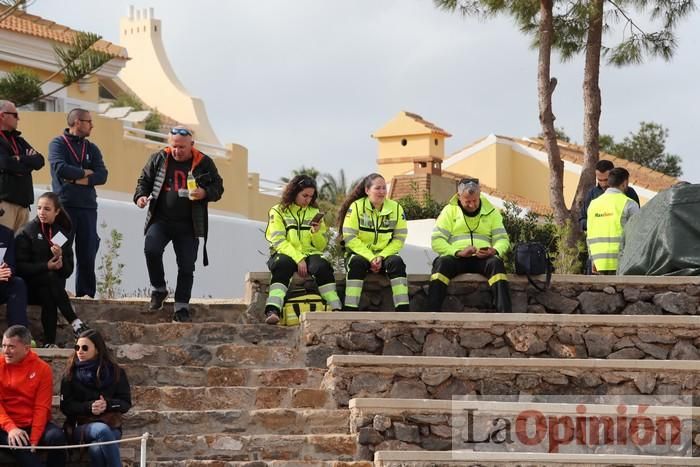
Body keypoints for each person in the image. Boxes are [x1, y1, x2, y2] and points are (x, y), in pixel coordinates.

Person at [134, 127, 224, 322]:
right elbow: (144, 181)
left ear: (192, 145)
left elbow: (218, 187)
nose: (177, 151)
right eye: (174, 146)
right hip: (161, 219)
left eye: (182, 147)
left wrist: (204, 193)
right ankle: (159, 289)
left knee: (186, 266)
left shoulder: (204, 162)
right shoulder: (159, 158)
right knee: (151, 249)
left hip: (189, 224)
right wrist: (141, 197)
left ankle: (182, 306)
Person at [263, 175, 342, 324]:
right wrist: (298, 258)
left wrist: (316, 232)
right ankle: (273, 310)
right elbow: (278, 240)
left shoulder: (314, 212)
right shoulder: (278, 211)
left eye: (311, 197)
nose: (308, 200)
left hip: (310, 254)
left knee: (322, 266)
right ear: (294, 192)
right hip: (285, 252)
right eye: (304, 195)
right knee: (282, 265)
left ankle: (336, 308)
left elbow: (320, 246)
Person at [15, 192, 89, 347]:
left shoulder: (61, 234)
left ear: (57, 212)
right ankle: (75, 322)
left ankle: (49, 343)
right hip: (29, 287)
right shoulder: (27, 232)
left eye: (47, 209)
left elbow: (68, 271)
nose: (42, 212)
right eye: (39, 208)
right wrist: (46, 266)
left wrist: (61, 261)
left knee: (48, 291)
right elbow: (20, 268)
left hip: (50, 288)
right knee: (49, 279)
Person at [428, 178, 512, 312]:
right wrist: (457, 252)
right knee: (441, 264)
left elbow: (503, 239)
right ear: (459, 196)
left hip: (483, 259)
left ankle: (505, 314)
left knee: (496, 264)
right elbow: (437, 241)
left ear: (479, 195)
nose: (472, 205)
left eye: (475, 201)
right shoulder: (449, 211)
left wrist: (494, 250)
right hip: (457, 258)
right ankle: (431, 312)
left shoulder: (492, 212)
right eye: (468, 201)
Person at [49, 108, 108, 298]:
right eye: (88, 121)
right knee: (60, 249)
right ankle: (56, 290)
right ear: (76, 122)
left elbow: (102, 175)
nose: (92, 125)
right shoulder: (58, 143)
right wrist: (85, 172)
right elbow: (61, 169)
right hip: (65, 207)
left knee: (88, 251)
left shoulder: (92, 148)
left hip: (88, 208)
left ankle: (86, 294)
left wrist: (76, 178)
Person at [338, 173, 409, 311]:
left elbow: (399, 239)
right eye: (378, 188)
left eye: (384, 188)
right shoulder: (356, 207)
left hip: (384, 255)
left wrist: (381, 256)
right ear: (367, 190)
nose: (382, 192)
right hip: (360, 255)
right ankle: (350, 310)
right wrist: (371, 257)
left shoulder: (396, 208)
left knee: (397, 263)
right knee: (356, 263)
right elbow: (350, 237)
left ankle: (403, 311)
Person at [61, 329, 131, 467]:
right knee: (101, 430)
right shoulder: (70, 374)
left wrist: (107, 404)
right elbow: (66, 406)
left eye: (85, 348)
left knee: (96, 449)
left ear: (97, 350)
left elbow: (125, 403)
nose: (80, 351)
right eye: (77, 347)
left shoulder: (116, 372)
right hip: (81, 425)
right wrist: (88, 407)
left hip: (111, 424)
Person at [0, 325, 67, 467]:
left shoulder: (42, 368)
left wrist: (34, 440)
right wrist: (11, 428)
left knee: (57, 438)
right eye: (4, 345)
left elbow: (42, 407)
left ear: (26, 348)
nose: (6, 351)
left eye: (11, 347)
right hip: (6, 424)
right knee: (19, 444)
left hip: (32, 424)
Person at [0, 100, 45, 231]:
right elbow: (4, 163)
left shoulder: (19, 140)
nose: (18, 118)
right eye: (15, 115)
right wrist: (28, 164)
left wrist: (20, 158)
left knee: (20, 249)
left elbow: (39, 160)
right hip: (4, 205)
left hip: (23, 206)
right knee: (3, 249)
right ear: (2, 115)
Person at [586, 167, 640, 275]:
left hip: (597, 263)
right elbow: (638, 235)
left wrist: (592, 259)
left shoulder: (593, 204)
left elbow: (589, 234)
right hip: (621, 262)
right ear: (625, 183)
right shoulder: (629, 204)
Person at [0, 224, 29, 328]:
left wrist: (6, 270)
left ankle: (19, 334)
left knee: (18, 283)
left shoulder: (6, 233)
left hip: (2, 282)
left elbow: (12, 265)